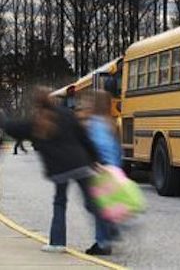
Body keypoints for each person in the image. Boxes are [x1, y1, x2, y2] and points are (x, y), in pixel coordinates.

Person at [0, 87, 111, 253]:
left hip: (60, 171)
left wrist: (2, 116)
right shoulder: (67, 114)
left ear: (37, 104)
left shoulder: (36, 123)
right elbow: (84, 137)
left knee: (60, 202)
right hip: (80, 164)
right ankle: (105, 240)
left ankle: (57, 242)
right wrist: (96, 160)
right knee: (92, 204)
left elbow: (12, 127)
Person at [84, 90, 122, 255]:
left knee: (96, 206)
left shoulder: (95, 123)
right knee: (103, 205)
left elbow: (99, 146)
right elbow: (117, 149)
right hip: (113, 168)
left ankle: (103, 243)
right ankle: (111, 228)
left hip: (102, 169)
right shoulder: (109, 122)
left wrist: (97, 164)